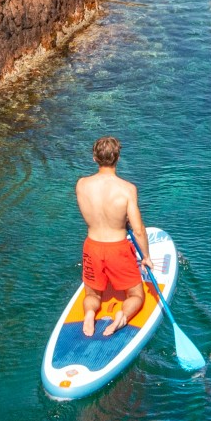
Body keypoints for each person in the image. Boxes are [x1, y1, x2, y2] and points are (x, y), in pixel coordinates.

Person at [75, 135, 150, 337]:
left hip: (92, 246)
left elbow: (97, 211)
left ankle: (90, 313)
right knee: (135, 294)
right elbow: (138, 230)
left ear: (94, 158)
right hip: (117, 249)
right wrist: (146, 257)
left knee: (92, 293)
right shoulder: (127, 189)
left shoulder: (81, 184)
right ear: (117, 158)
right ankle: (121, 317)